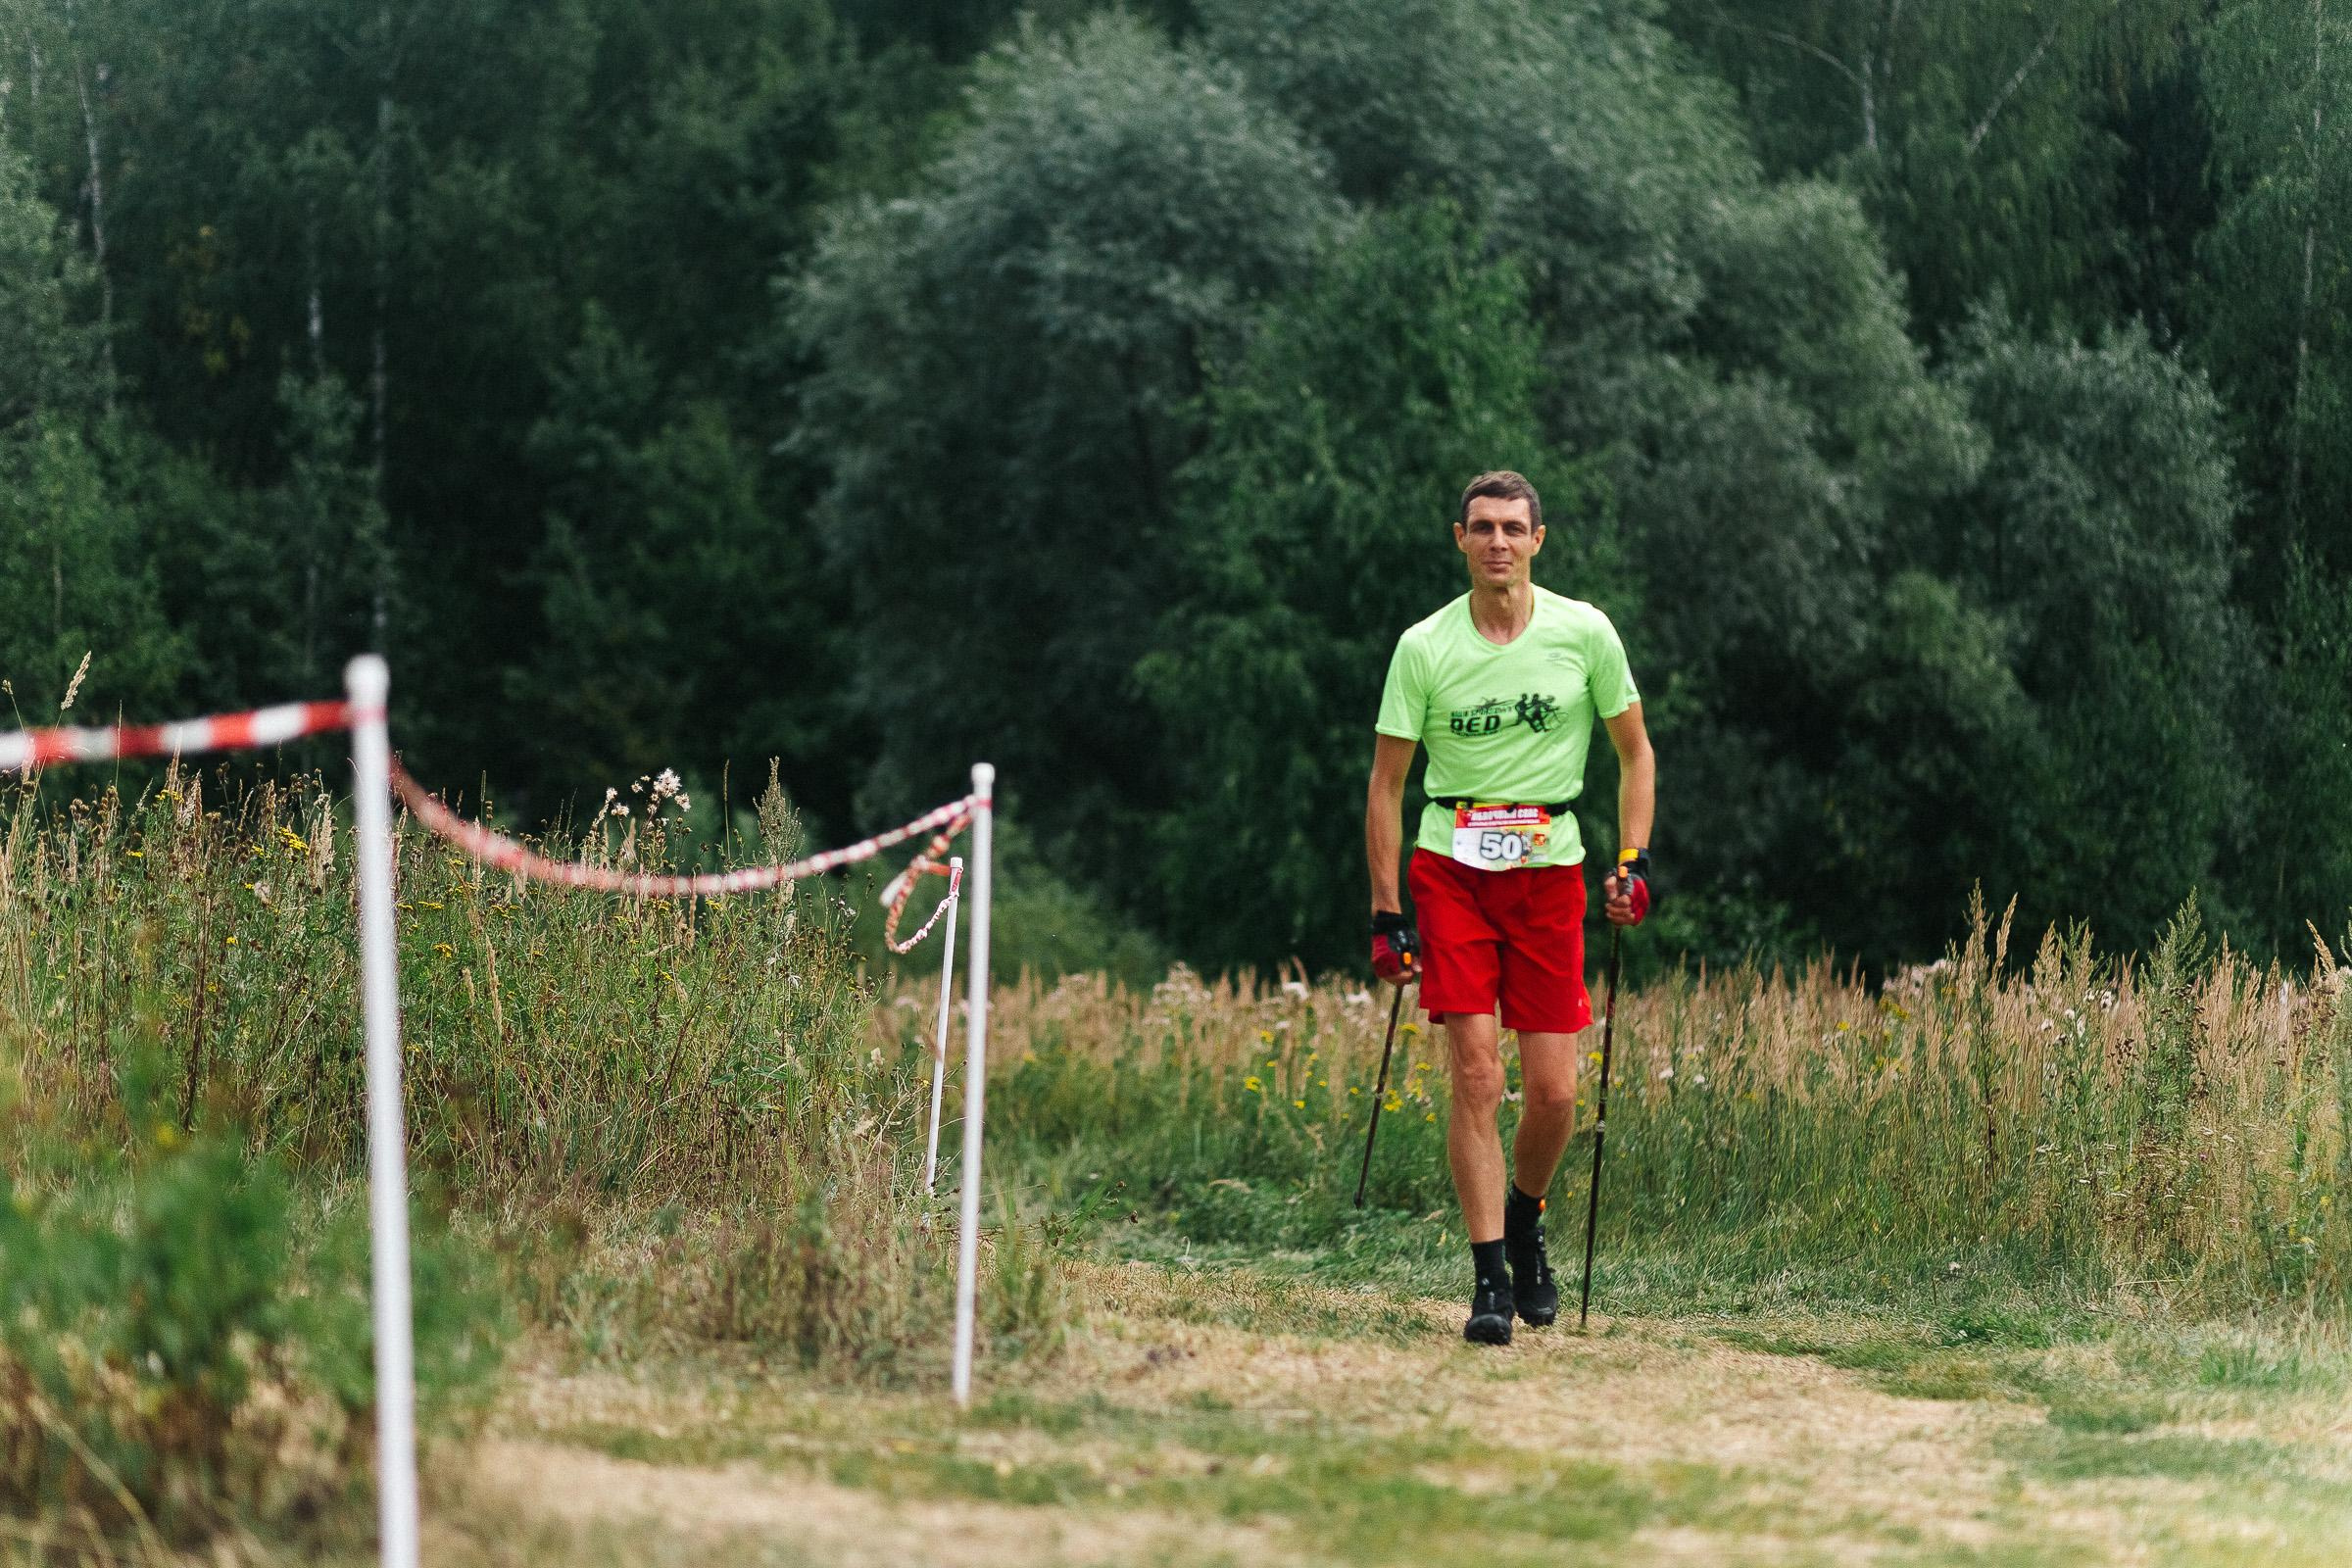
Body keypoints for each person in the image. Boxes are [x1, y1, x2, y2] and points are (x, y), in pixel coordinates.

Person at [1365, 469, 1654, 1346]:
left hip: (1549, 869)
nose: (1497, 542)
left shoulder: (1584, 633)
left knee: (1557, 1092)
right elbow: (1386, 786)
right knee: (1479, 1075)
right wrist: (1387, 913)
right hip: (1451, 866)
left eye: (1512, 529)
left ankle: (1527, 1219)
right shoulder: (1425, 646)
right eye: (1481, 527)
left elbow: (1635, 756)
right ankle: (1490, 1278)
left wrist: (1632, 863)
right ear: (1459, 538)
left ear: (1538, 541)